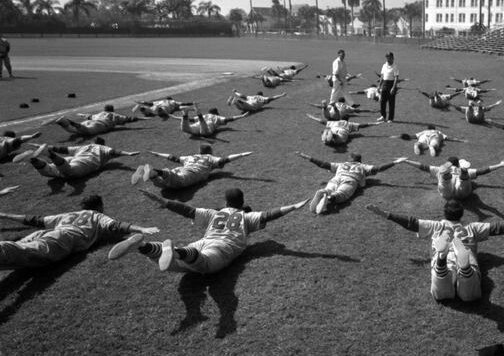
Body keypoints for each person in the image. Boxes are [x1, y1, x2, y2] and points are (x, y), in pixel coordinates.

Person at [366, 200, 504, 301]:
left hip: (442, 250)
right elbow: (498, 227)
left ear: (444, 214)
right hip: (465, 250)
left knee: (441, 292)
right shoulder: (472, 228)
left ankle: (442, 259)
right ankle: (464, 266)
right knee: (469, 295)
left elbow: (411, 222)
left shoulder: (436, 226)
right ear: (462, 216)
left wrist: (385, 214)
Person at [109, 188, 306, 274]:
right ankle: (175, 251)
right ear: (243, 204)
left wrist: (161, 200)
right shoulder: (246, 217)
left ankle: (143, 246)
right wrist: (294, 206)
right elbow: (269, 215)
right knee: (203, 265)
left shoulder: (213, 213)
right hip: (222, 247)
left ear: (225, 203)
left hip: (203, 241)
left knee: (175, 265)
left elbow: (186, 209)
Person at [0, 194, 158, 269]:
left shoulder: (69, 214)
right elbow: (116, 225)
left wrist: (4, 215)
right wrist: (142, 228)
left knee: (13, 252)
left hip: (46, 233)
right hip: (63, 238)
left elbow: (34, 220)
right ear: (99, 206)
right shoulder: (97, 215)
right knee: (17, 251)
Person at [295, 151, 406, 214]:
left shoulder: (341, 164)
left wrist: (307, 157)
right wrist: (396, 162)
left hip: (336, 178)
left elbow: (323, 164)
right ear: (359, 161)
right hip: (350, 181)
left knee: (330, 187)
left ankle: (324, 192)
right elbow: (378, 168)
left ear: (349, 159)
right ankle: (330, 198)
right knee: (342, 195)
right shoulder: (362, 166)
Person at [130, 144, 252, 188]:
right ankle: (153, 170)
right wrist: (242, 154)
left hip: (180, 169)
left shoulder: (189, 156)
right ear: (210, 151)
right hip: (190, 174)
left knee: (162, 184)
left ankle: (150, 173)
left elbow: (172, 157)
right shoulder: (210, 158)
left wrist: (157, 154)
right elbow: (225, 160)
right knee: (179, 182)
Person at [20, 137, 139, 179]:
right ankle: (48, 155)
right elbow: (114, 152)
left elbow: (62, 149)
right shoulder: (103, 148)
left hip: (71, 159)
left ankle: (33, 159)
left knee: (48, 172)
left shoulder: (84, 146)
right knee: (69, 173)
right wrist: (128, 153)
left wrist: (39, 145)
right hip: (83, 164)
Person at [400, 156, 504, 200]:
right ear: (458, 164)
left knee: (444, 183)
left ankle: (446, 176)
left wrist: (406, 161)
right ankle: (463, 174)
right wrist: (500, 164)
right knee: (463, 183)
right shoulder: (463, 168)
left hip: (446, 194)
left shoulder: (439, 168)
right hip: (463, 194)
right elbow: (483, 170)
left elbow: (422, 166)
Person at [49, 104, 139, 136]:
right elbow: (130, 119)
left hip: (90, 121)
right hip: (99, 125)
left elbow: (88, 116)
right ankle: (68, 121)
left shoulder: (99, 113)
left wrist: (81, 114)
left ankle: (61, 123)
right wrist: (143, 118)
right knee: (87, 131)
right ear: (112, 110)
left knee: (74, 131)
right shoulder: (115, 115)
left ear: (104, 109)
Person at [305, 113, 382, 146]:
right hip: (341, 139)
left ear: (341, 118)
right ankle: (332, 136)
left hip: (334, 133)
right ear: (347, 119)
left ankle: (329, 136)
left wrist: (311, 117)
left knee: (327, 129)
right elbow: (363, 125)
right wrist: (375, 123)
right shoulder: (350, 124)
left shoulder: (333, 122)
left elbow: (320, 120)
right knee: (334, 133)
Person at [394, 125, 466, 157]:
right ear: (434, 128)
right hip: (435, 137)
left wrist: (404, 136)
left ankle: (417, 145)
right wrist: (460, 140)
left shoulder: (424, 131)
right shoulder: (438, 132)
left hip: (424, 137)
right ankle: (432, 147)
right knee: (433, 145)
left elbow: (413, 136)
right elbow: (448, 138)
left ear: (428, 128)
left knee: (419, 143)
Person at [175, 107, 249, 137]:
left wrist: (178, 118)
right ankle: (199, 115)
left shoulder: (206, 115)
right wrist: (241, 116)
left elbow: (190, 120)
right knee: (204, 131)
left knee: (185, 129)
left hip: (195, 127)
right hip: (207, 129)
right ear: (216, 113)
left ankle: (185, 113)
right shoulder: (218, 117)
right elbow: (229, 119)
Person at [377, 52, 399, 123]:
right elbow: (382, 76)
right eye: (386, 57)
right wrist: (379, 85)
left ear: (392, 58)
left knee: (391, 103)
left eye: (389, 57)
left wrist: (393, 87)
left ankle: (390, 118)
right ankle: (383, 116)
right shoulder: (384, 65)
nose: (387, 58)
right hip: (384, 84)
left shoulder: (395, 66)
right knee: (382, 101)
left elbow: (396, 78)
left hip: (391, 84)